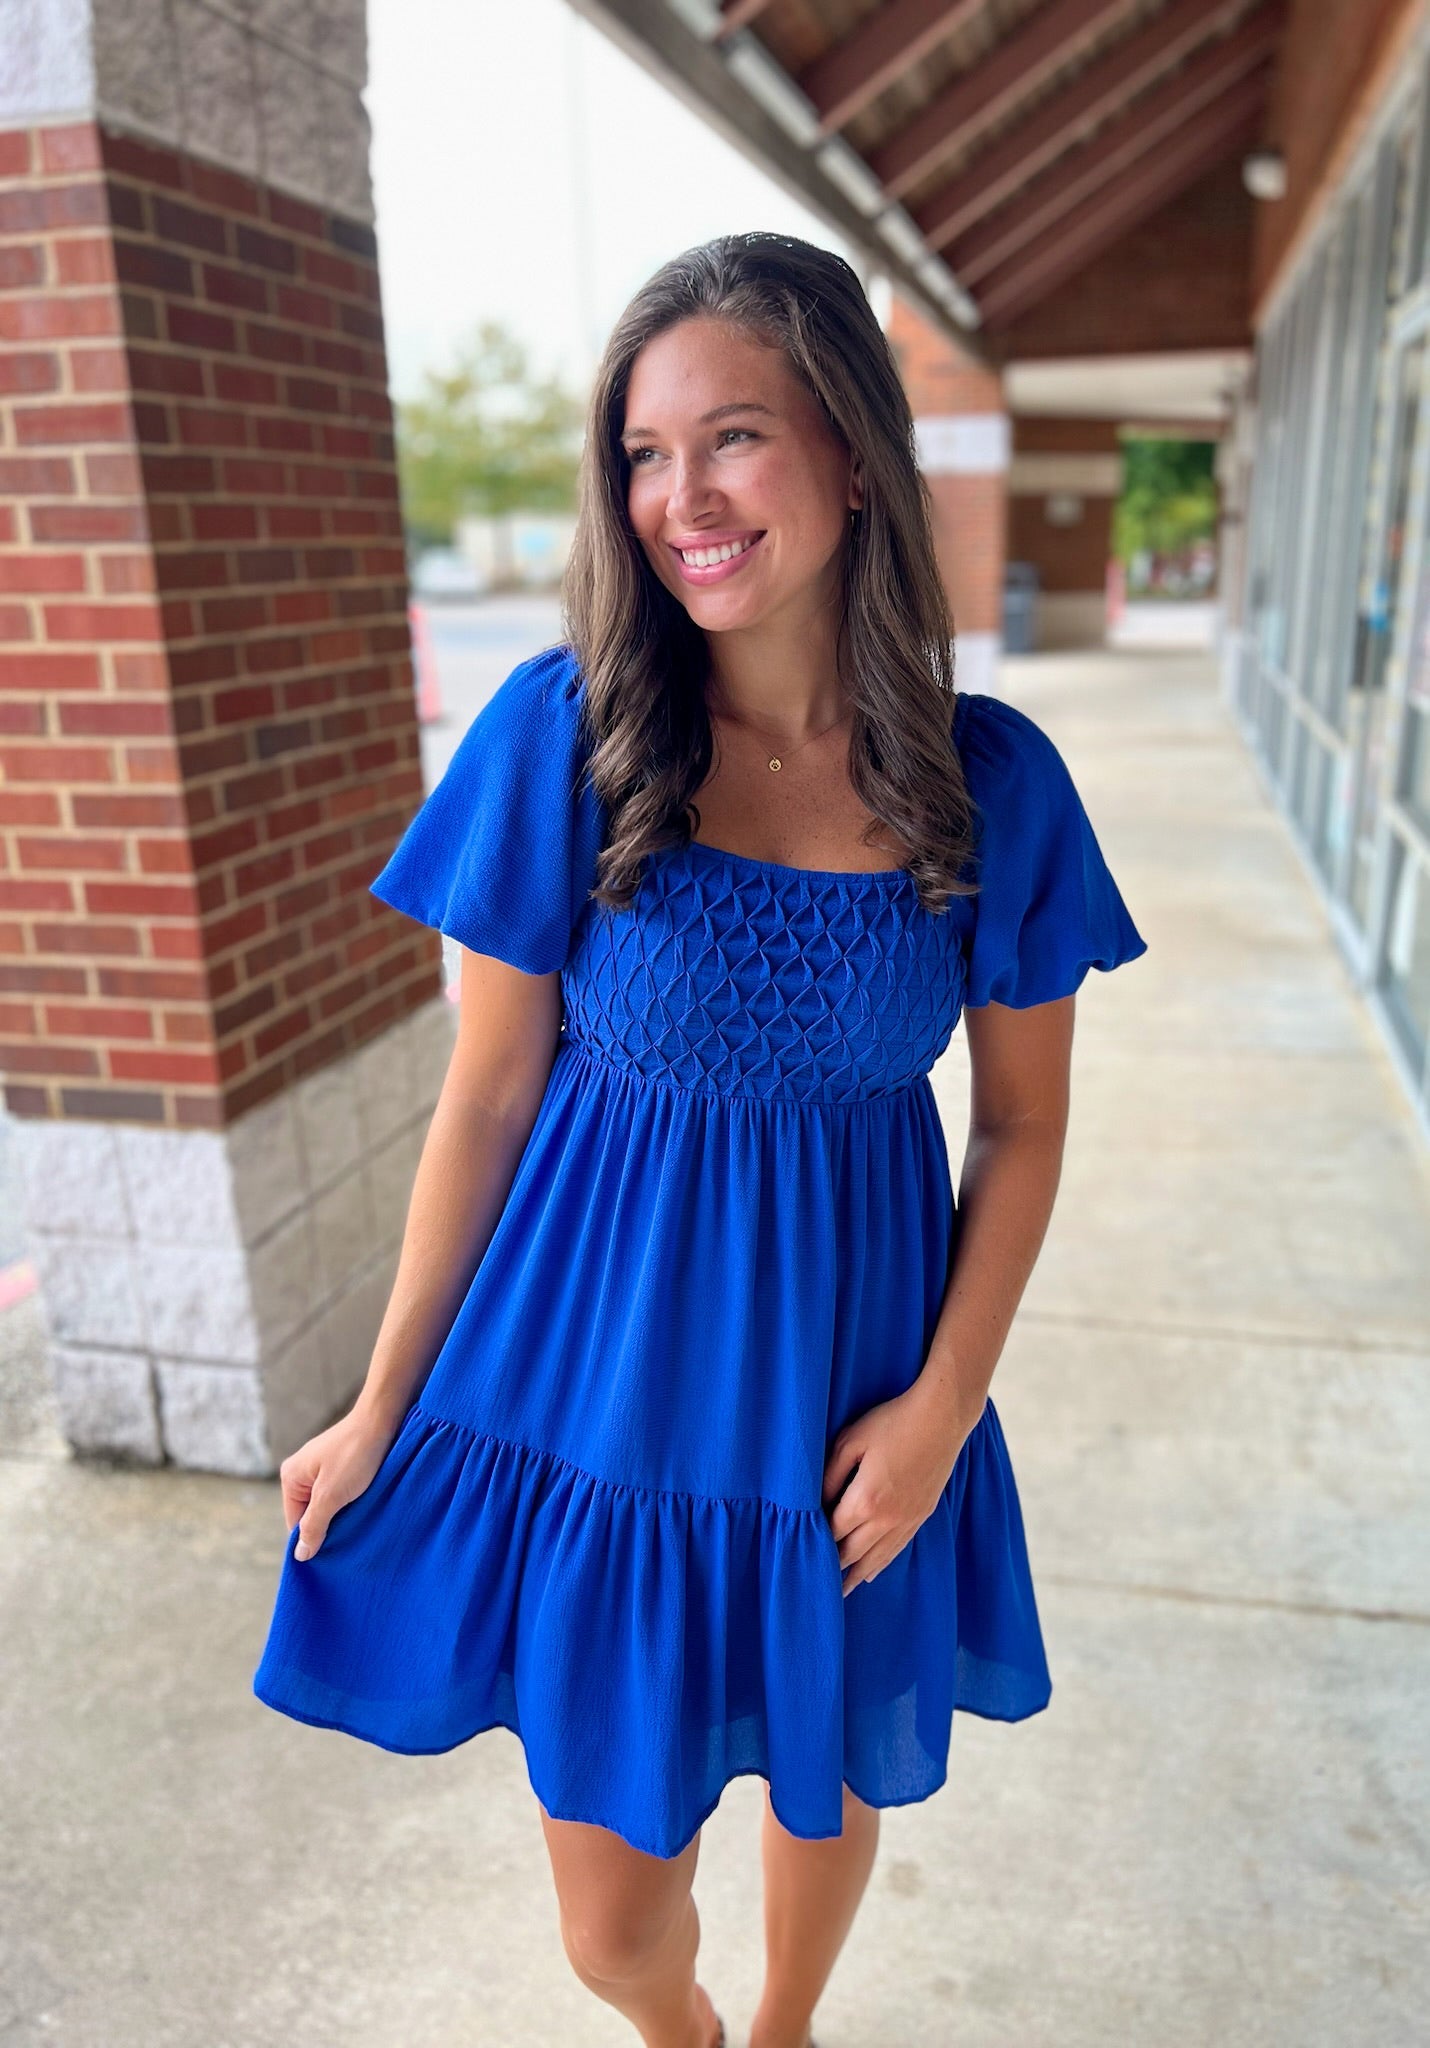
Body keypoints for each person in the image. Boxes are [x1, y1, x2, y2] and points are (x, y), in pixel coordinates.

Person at [252, 230, 1148, 2048]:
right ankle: (682, 2034)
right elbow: (489, 1096)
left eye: (731, 437)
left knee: (827, 1773)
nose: (683, 499)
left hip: (855, 1392)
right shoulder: (565, 738)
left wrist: (946, 1402)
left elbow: (1027, 1126)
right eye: (645, 456)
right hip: (589, 1393)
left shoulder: (990, 787)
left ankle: (786, 2034)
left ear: (847, 447)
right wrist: (378, 1401)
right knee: (609, 1926)